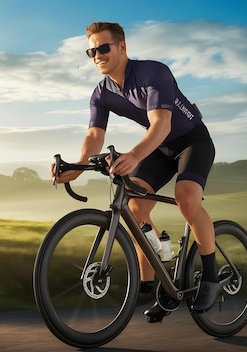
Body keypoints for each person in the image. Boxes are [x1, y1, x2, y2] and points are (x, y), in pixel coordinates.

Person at [51, 22, 220, 323]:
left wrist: (134, 155)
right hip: (160, 147)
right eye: (92, 51)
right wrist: (78, 166)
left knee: (186, 199)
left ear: (122, 47)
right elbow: (94, 136)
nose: (98, 55)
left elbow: (161, 125)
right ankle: (159, 285)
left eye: (104, 48)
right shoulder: (101, 93)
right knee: (135, 206)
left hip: (192, 140)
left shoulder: (153, 73)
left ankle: (210, 277)